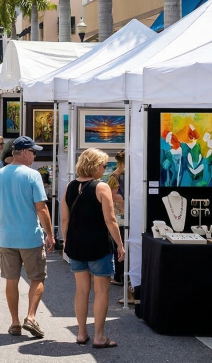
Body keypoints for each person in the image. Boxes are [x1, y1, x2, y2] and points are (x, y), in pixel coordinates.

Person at [0, 137, 53, 338]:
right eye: (33, 152)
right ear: (24, 152)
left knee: (11, 280)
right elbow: (42, 208)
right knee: (37, 278)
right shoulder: (32, 176)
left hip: (7, 238)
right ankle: (30, 317)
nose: (34, 156)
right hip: (30, 237)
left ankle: (15, 323)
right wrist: (50, 234)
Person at [62, 148, 125, 348]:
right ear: (96, 165)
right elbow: (110, 219)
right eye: (104, 165)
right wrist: (120, 245)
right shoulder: (101, 187)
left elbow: (65, 219)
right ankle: (99, 336)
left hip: (76, 245)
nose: (105, 169)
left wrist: (66, 242)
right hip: (98, 246)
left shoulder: (70, 186)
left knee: (81, 291)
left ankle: (81, 333)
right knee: (101, 292)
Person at [107, 150, 126, 286]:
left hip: (121, 215)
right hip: (119, 216)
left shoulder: (117, 176)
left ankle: (120, 276)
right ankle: (120, 276)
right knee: (119, 246)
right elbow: (113, 196)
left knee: (119, 246)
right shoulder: (115, 177)